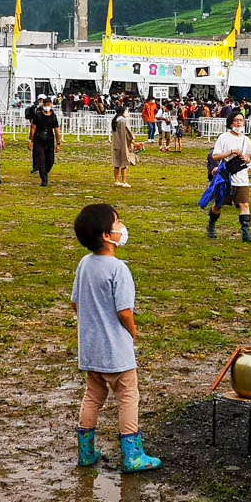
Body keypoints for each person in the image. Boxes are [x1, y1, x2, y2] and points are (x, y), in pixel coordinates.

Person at [71, 203, 161, 473]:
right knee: (128, 397)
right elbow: (124, 311)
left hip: (91, 350)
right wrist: (132, 330)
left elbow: (75, 303)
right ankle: (133, 455)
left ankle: (86, 453)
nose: (122, 226)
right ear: (107, 236)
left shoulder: (84, 264)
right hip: (117, 353)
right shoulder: (118, 269)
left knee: (92, 397)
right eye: (118, 222)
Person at [207, 111, 251, 243]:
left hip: (242, 177)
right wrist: (231, 152)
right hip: (226, 177)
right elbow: (215, 156)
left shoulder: (246, 140)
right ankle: (211, 224)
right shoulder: (224, 138)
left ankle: (246, 233)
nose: (239, 122)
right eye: (236, 120)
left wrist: (247, 159)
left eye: (241, 120)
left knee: (244, 204)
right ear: (230, 123)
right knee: (219, 205)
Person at [28, 97, 62, 187]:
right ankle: (44, 179)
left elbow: (56, 130)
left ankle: (44, 172)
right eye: (45, 104)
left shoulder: (53, 116)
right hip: (39, 139)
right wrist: (30, 141)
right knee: (41, 159)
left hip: (50, 139)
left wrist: (58, 143)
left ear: (51, 105)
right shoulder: (38, 115)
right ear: (43, 105)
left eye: (48, 104)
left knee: (50, 160)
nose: (47, 106)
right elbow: (33, 128)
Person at [111, 106, 140, 188]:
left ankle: (116, 181)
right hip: (124, 144)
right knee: (124, 163)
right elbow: (128, 133)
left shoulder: (114, 121)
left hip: (116, 143)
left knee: (116, 163)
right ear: (122, 112)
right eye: (126, 111)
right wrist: (134, 142)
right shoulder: (124, 121)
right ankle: (124, 181)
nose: (127, 112)